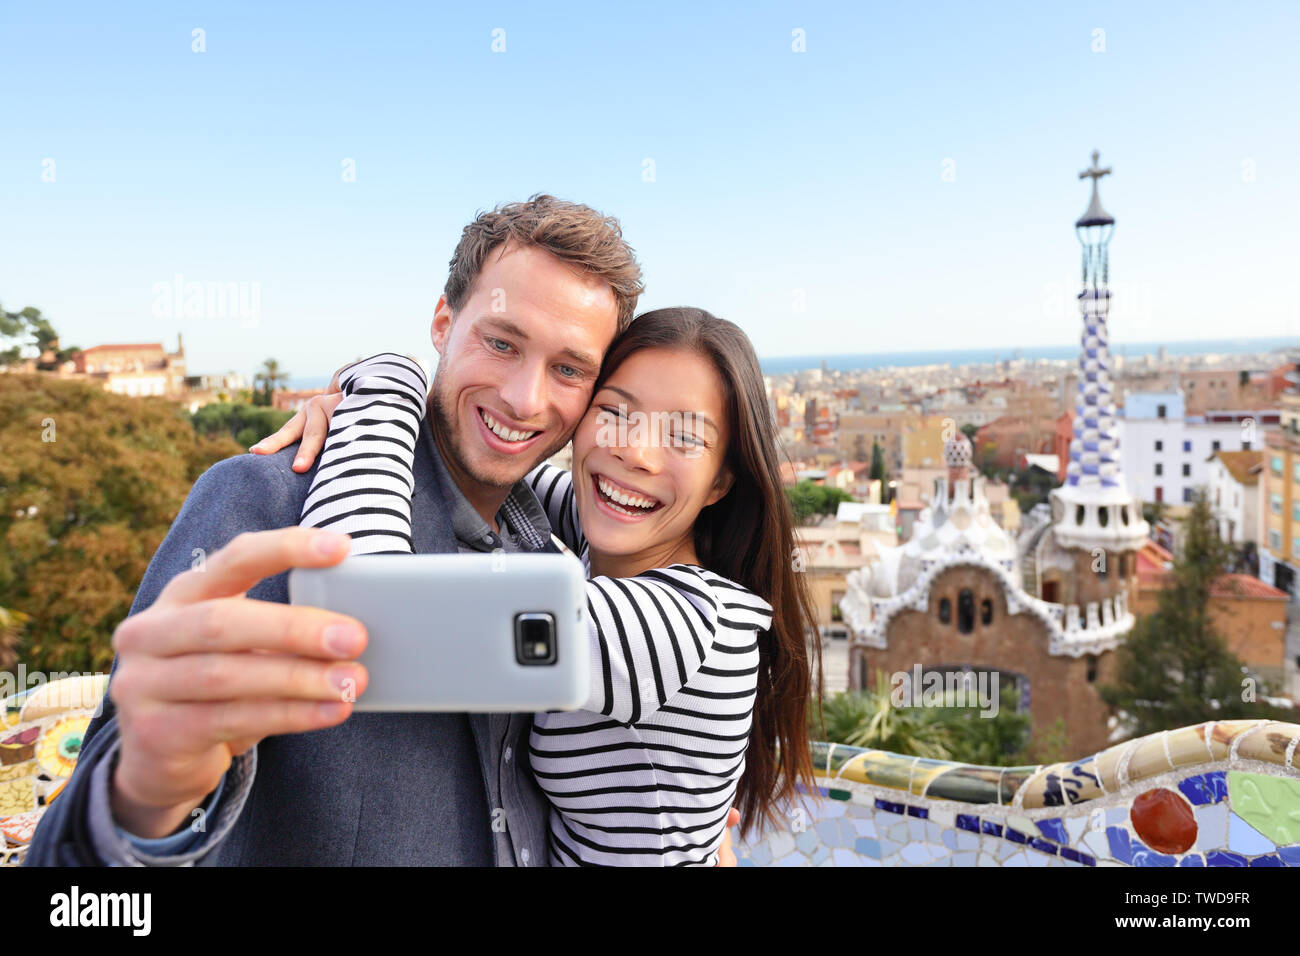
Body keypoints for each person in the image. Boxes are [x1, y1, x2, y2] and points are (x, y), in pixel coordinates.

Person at [27, 194, 737, 866]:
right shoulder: (268, 503)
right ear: (441, 323)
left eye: (570, 369)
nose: (525, 399)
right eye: (501, 342)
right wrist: (142, 796)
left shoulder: (550, 541)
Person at [273, 308, 821, 864]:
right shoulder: (603, 540)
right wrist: (353, 406)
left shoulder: (677, 624)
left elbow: (370, 621)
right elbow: (483, 454)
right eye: (614, 413)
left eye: (683, 437)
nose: (635, 452)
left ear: (720, 482)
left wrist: (388, 385)